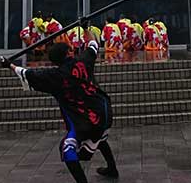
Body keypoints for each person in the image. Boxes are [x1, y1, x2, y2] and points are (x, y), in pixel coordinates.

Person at [9, 25, 118, 182]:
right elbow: (93, 44)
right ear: (69, 53)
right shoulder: (83, 60)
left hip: (84, 119)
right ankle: (112, 168)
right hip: (103, 112)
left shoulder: (54, 76)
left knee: (67, 149)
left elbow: (27, 73)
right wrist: (85, 28)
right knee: (99, 136)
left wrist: (9, 64)